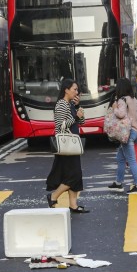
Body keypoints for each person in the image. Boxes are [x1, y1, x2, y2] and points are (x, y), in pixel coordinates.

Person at [44, 78, 89, 213]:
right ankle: (53, 196)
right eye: (74, 89)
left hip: (73, 144)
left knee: (75, 174)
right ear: (66, 90)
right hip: (66, 145)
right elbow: (61, 125)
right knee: (73, 175)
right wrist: (75, 116)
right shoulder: (61, 104)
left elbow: (81, 122)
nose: (76, 92)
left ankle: (73, 205)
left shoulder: (69, 104)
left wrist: (77, 109)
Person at [107, 78, 137, 194]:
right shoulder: (133, 100)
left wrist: (114, 108)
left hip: (127, 133)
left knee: (131, 160)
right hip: (135, 131)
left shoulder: (122, 100)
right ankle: (118, 183)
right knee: (120, 158)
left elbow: (121, 114)